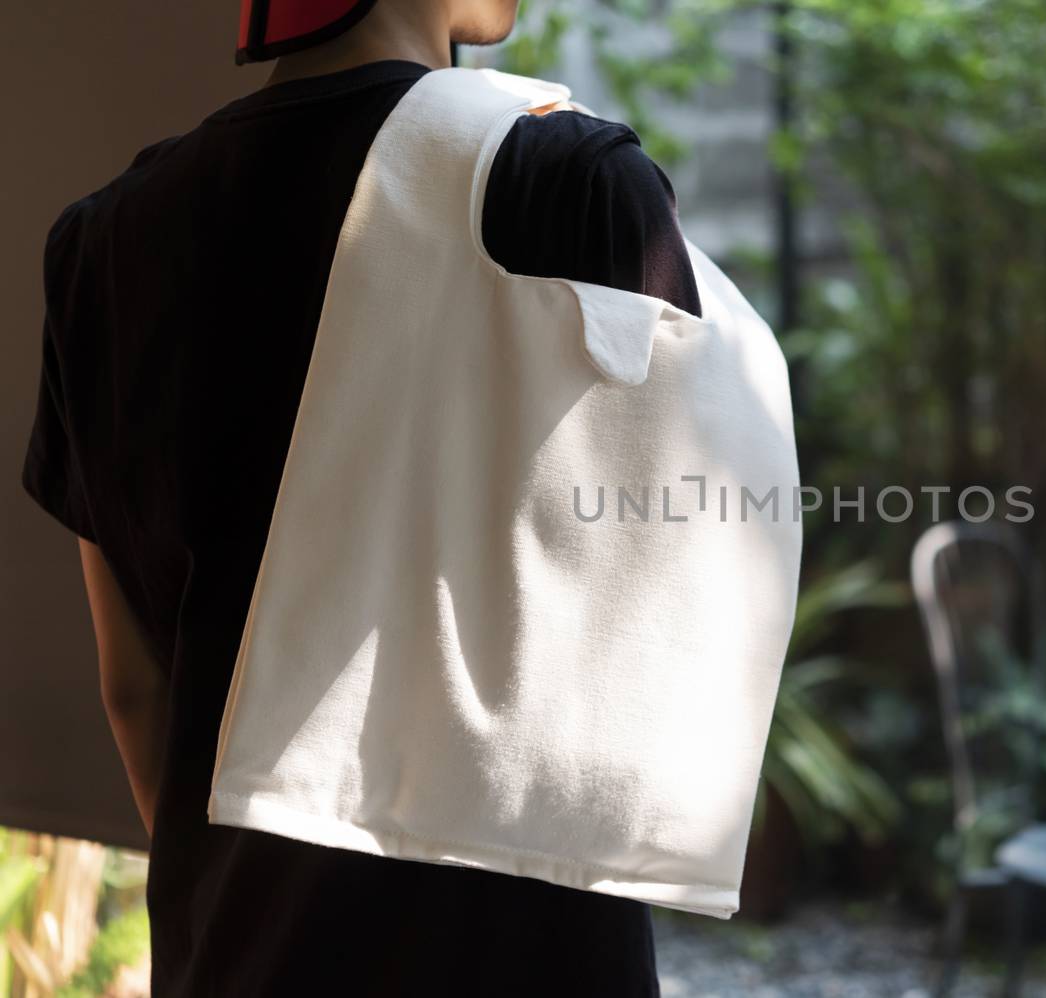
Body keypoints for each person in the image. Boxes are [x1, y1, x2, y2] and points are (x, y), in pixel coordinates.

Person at [20, 0, 698, 993]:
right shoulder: (574, 185)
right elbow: (657, 608)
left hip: (238, 948)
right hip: (522, 952)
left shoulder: (100, 241)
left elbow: (136, 693)